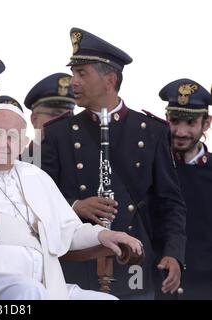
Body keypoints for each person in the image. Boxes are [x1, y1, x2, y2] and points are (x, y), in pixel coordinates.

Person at [0, 104, 143, 300]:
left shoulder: (36, 176)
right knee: (27, 291)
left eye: (12, 136)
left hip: (46, 285)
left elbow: (68, 231)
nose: (3, 142)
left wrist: (104, 235)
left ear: (24, 142)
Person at [41, 27, 187, 299]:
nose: (73, 81)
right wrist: (76, 205)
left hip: (133, 265)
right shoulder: (57, 133)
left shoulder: (152, 131)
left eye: (81, 74)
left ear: (109, 79)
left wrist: (173, 253)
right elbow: (38, 198)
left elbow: (170, 203)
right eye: (73, 73)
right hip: (76, 266)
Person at [159, 78, 212, 299]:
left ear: (206, 123)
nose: (180, 132)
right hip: (159, 284)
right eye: (175, 121)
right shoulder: (154, 169)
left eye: (190, 123)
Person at [22, 73, 76, 164]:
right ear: (34, 119)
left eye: (68, 116)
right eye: (55, 114)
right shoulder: (21, 163)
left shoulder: (81, 160)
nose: (63, 122)